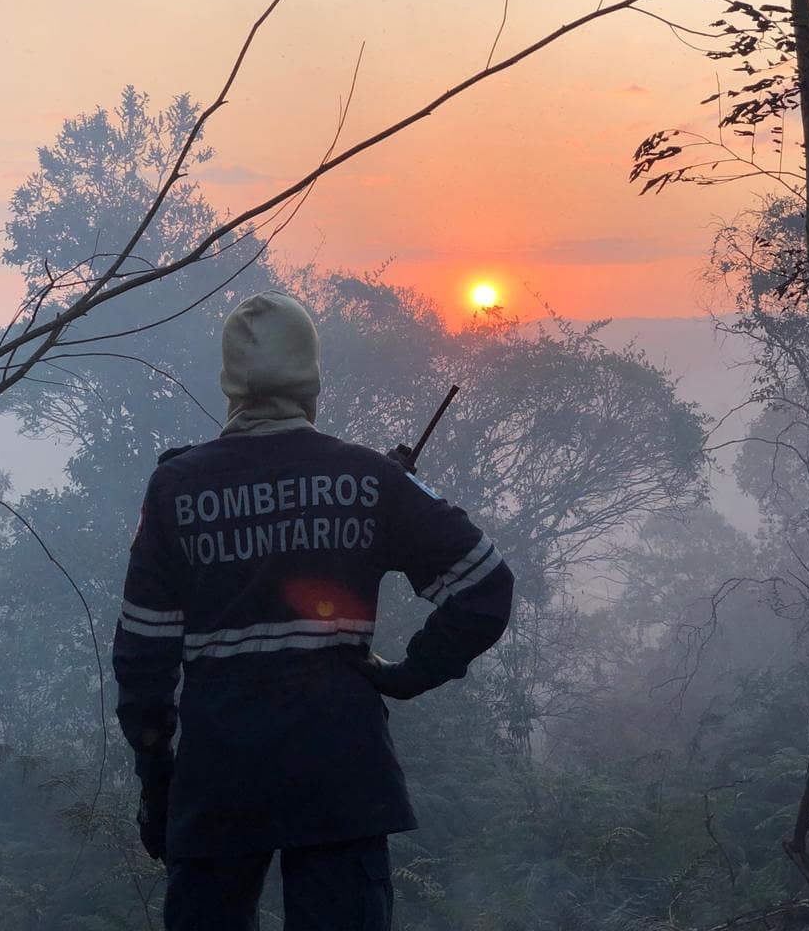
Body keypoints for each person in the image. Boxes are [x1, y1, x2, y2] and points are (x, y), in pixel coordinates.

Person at [112, 292, 514, 931]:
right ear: (311, 379)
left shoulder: (175, 488)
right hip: (342, 775)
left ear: (230, 383)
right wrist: (406, 675)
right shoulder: (368, 479)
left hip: (217, 783)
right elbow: (485, 585)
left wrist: (158, 783)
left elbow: (143, 657)